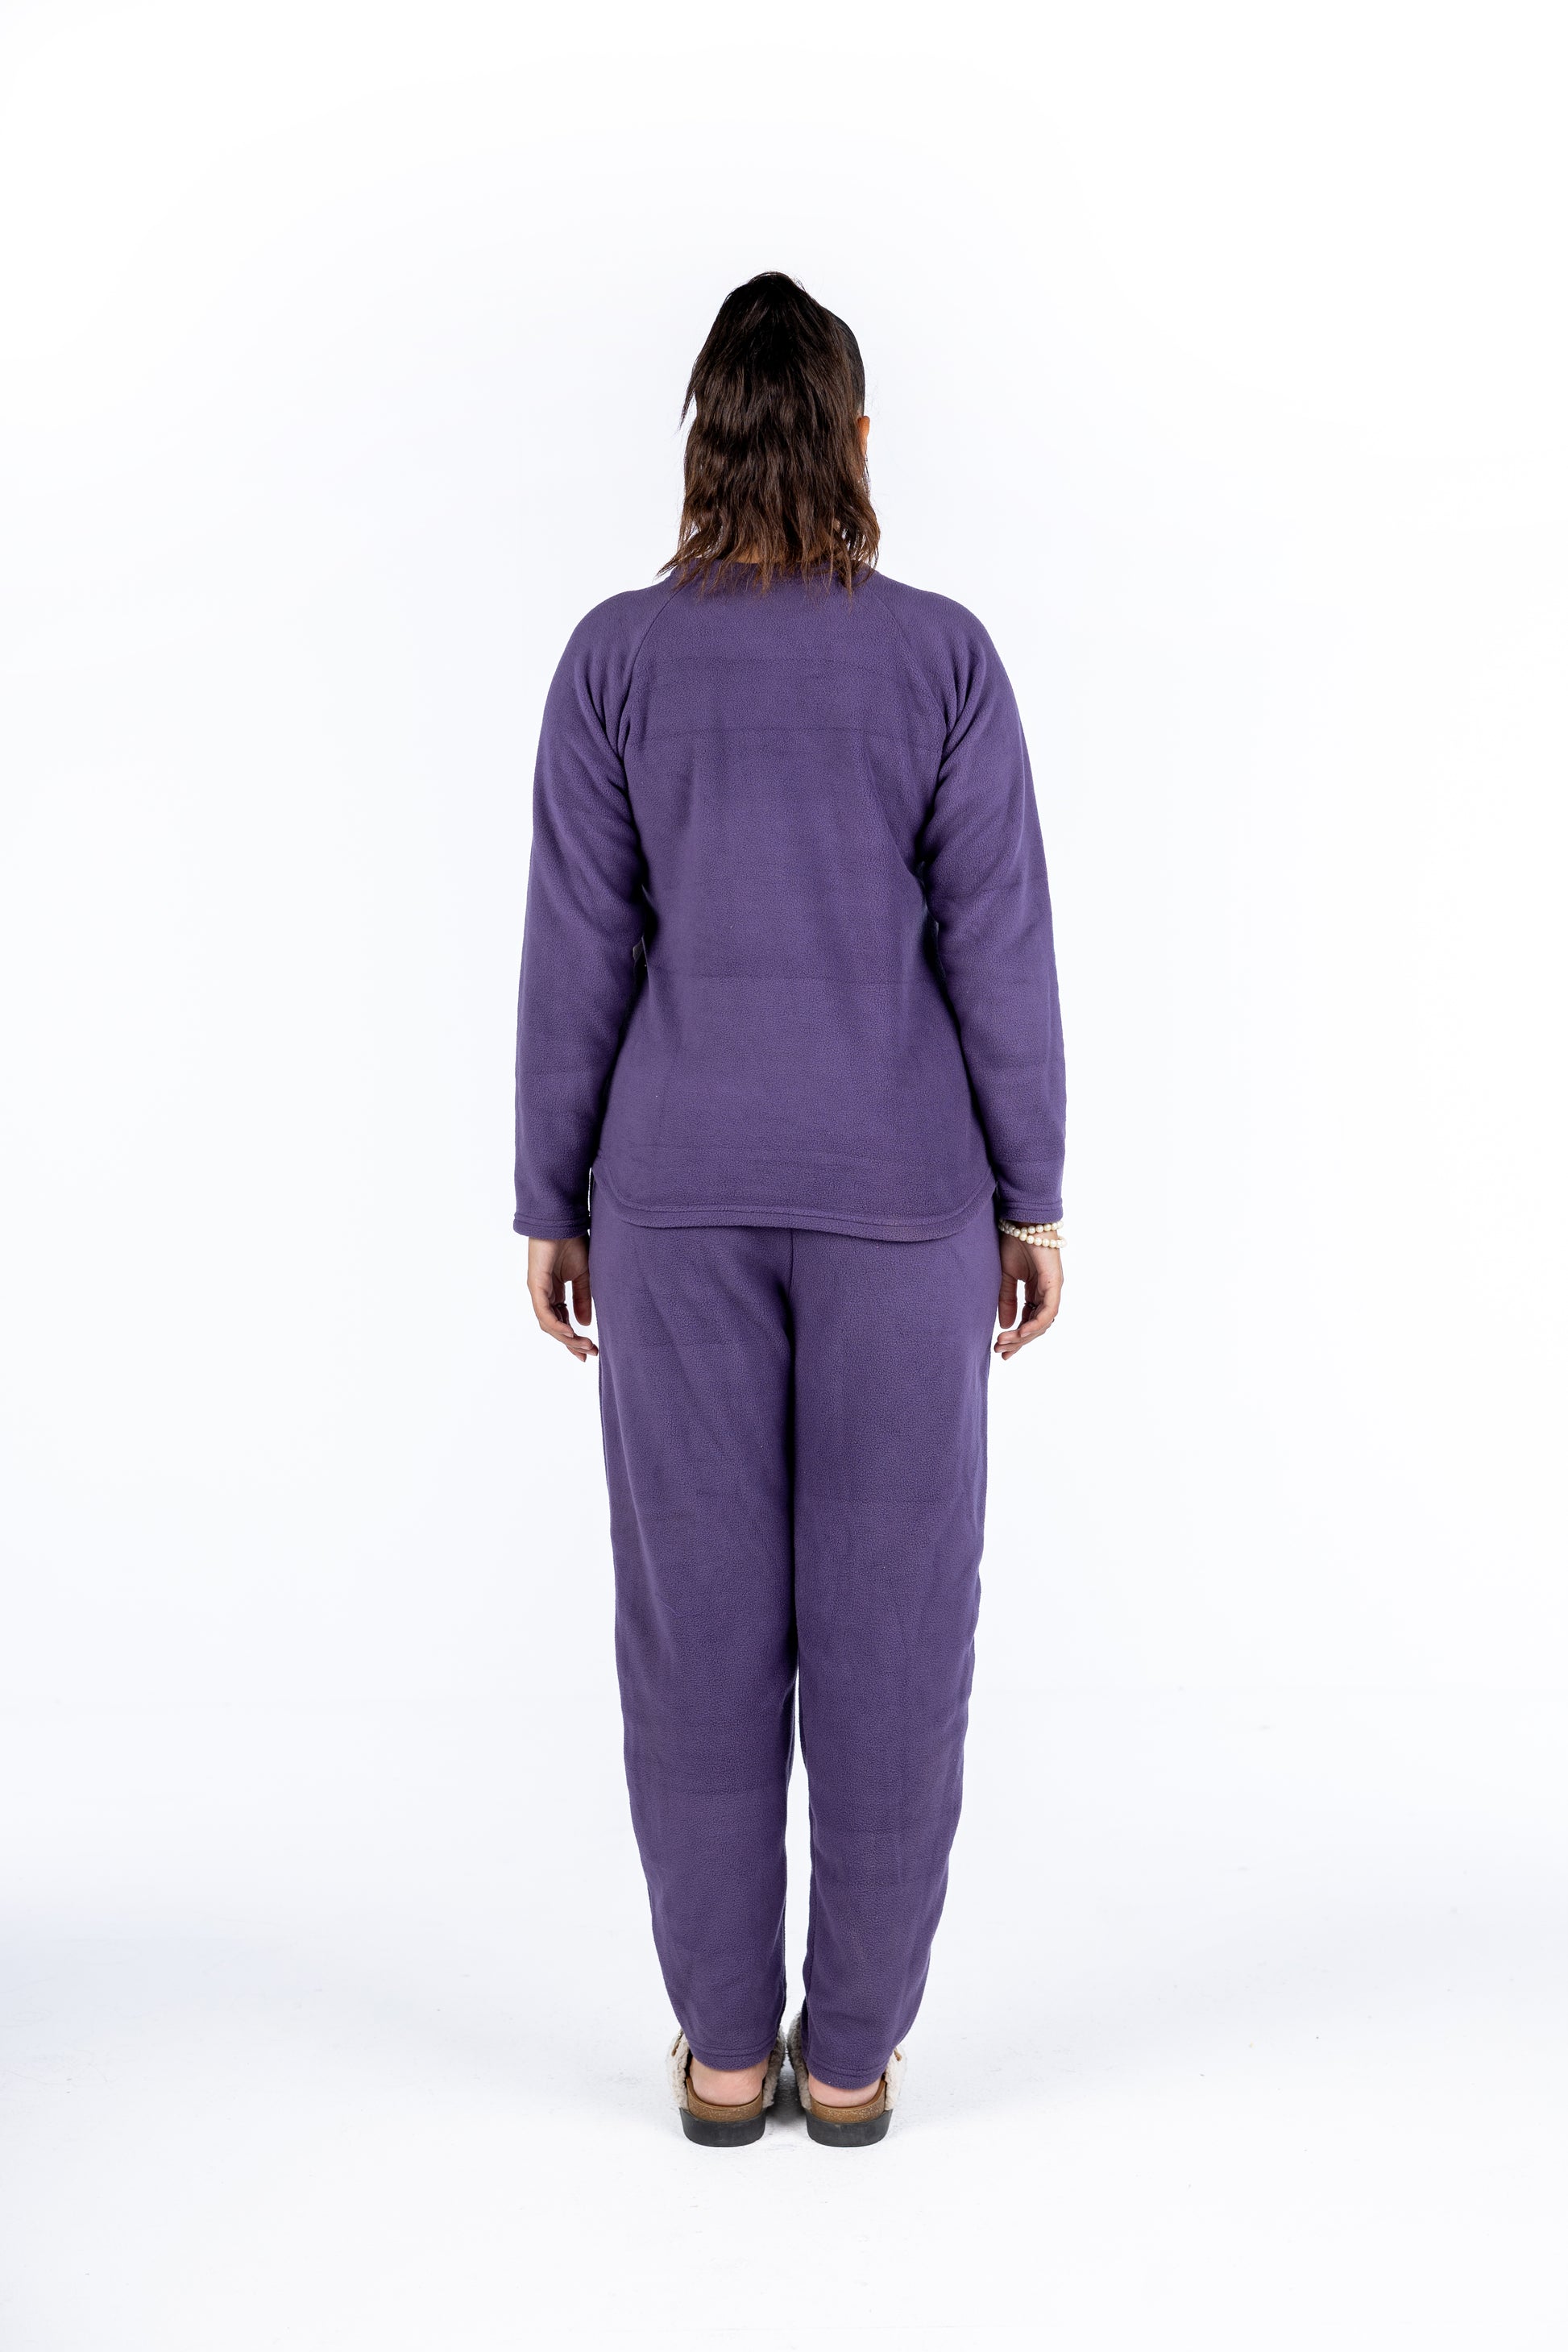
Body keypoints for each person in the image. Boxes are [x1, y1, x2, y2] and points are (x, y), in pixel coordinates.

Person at [513, 272, 1065, 2148]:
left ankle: (726, 2056)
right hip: (907, 1202)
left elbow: (578, 950)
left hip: (671, 1202)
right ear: (852, 437)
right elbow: (996, 942)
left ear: (701, 442)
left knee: (698, 1635)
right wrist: (1033, 1193)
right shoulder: (941, 660)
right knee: (894, 1631)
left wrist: (550, 1195)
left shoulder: (612, 663)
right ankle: (849, 2065)